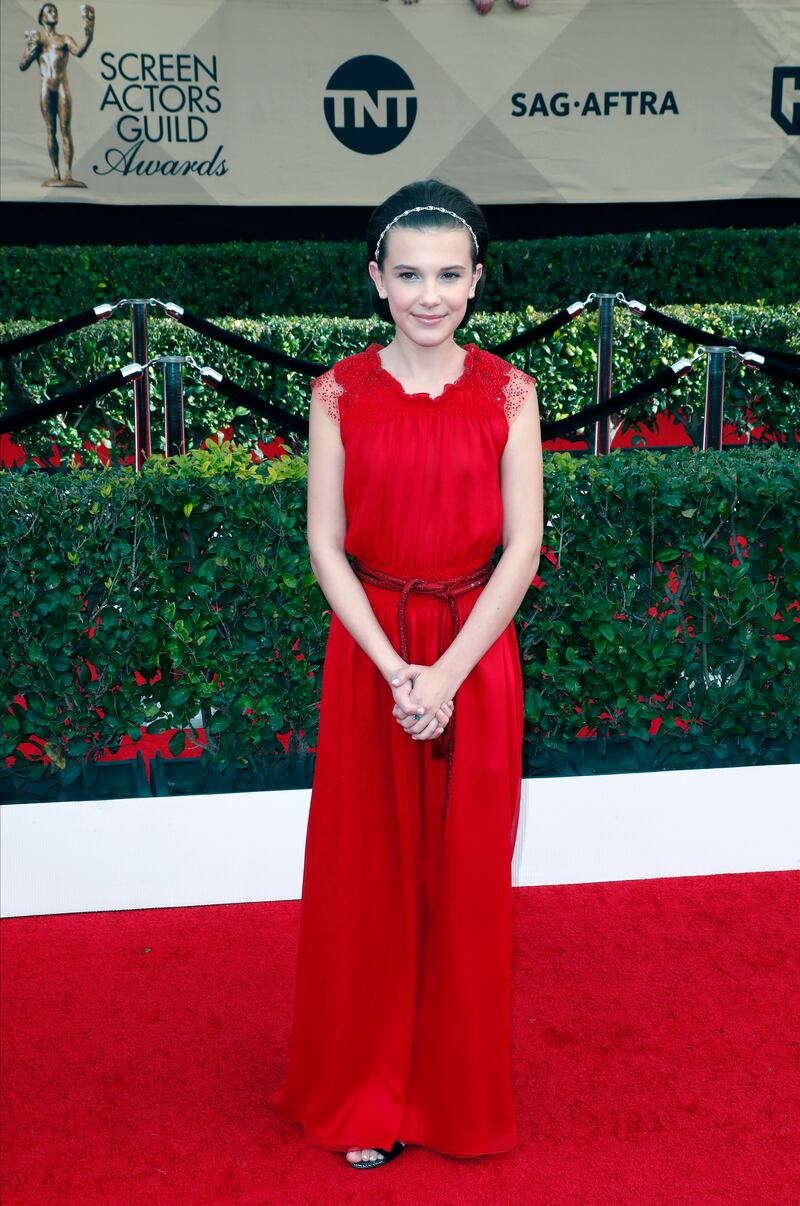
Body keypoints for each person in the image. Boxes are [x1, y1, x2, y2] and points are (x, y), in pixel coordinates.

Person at [269, 178, 543, 1170]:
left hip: (476, 652)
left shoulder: (510, 393)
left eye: (448, 274)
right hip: (370, 655)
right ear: (375, 280)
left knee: (465, 881)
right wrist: (396, 672)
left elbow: (520, 551)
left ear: (476, 281)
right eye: (408, 274)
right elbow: (323, 545)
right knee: (372, 879)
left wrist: (447, 677)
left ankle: (452, 1096)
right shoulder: (335, 392)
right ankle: (368, 1093)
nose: (429, 294)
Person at [19, 3, 95, 188]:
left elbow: (80, 51)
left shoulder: (64, 39)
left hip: (62, 87)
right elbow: (22, 65)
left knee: (65, 130)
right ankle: (56, 173)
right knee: (50, 130)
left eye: (55, 11)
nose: (54, 13)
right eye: (50, 11)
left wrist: (89, 34)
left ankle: (68, 174)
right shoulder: (38, 39)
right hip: (46, 87)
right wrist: (31, 48)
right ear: (42, 17)